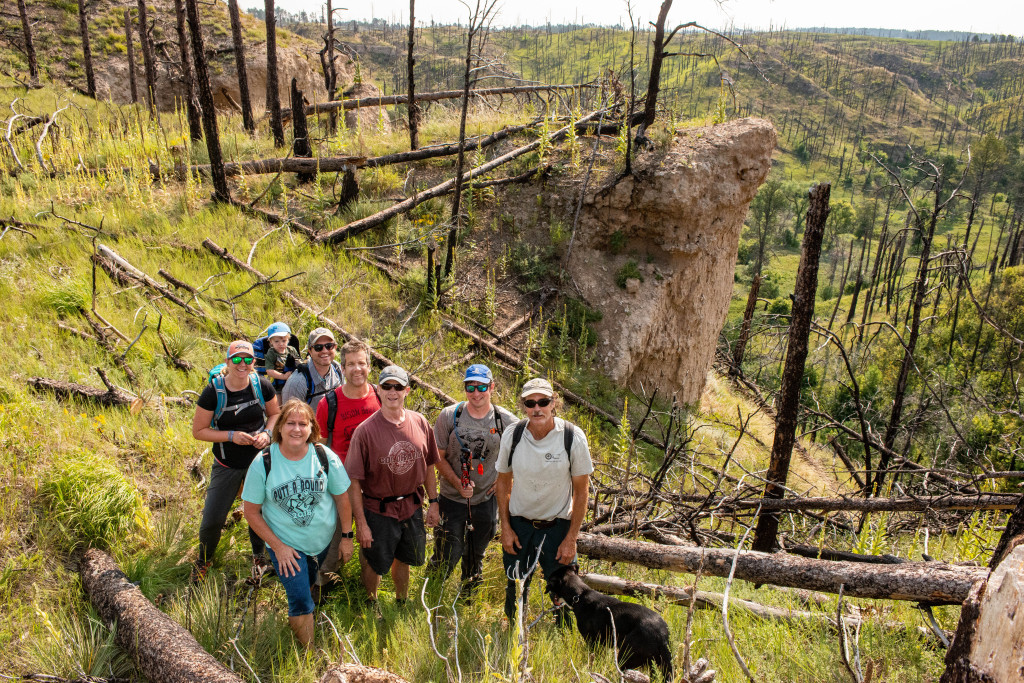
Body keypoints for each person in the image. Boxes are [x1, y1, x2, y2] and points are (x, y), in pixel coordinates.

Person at [242, 399, 352, 647]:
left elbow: (342, 498)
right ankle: (309, 655)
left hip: (321, 543)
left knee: (310, 583)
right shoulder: (264, 462)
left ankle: (307, 613)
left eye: (303, 424)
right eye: (290, 423)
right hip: (286, 546)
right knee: (300, 599)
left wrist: (347, 537)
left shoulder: (324, 456)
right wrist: (278, 548)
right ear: (279, 427)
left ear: (312, 428)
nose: (297, 429)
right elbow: (250, 512)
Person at [495, 377, 593, 624]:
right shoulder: (513, 434)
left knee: (568, 590)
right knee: (515, 586)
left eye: (543, 401)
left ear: (553, 403)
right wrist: (505, 528)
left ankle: (566, 636)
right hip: (520, 525)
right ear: (524, 406)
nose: (537, 408)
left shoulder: (572, 436)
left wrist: (571, 538)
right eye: (530, 403)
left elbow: (582, 491)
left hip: (557, 526)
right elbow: (503, 482)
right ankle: (515, 635)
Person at [346, 365, 441, 604]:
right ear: (377, 390)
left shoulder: (419, 422)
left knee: (405, 557)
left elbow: (430, 465)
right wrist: (361, 523)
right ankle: (371, 602)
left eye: (398, 387)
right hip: (378, 509)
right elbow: (354, 481)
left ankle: (402, 600)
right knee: (373, 561)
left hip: (411, 506)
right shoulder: (365, 431)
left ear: (407, 390)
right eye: (387, 386)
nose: (392, 391)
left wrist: (435, 502)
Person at [191, 340, 281, 581]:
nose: (243, 364)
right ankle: (203, 560)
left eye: (248, 359)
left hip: (259, 462)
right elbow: (199, 431)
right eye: (237, 359)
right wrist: (231, 436)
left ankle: (259, 558)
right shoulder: (214, 391)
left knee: (259, 513)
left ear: (254, 362)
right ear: (228, 362)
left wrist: (267, 434)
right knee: (213, 519)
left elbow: (275, 414)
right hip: (226, 464)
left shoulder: (261, 385)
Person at [428, 364, 517, 593]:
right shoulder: (450, 416)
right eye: (470, 387)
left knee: (475, 554)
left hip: (487, 501)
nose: (476, 393)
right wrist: (458, 484)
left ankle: (468, 597)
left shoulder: (505, 421)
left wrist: (508, 478)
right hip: (451, 498)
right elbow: (437, 457)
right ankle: (431, 594)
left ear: (492, 387)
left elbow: (526, 451)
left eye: (481, 387)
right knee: (447, 552)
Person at [311, 339, 381, 599]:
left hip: (374, 486)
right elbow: (316, 448)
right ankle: (319, 594)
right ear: (342, 367)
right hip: (338, 486)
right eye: (350, 364)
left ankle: (370, 597)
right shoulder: (328, 404)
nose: (356, 369)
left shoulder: (380, 397)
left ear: (369, 366)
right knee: (333, 545)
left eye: (361, 363)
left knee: (370, 545)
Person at [281, 328, 343, 410]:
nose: (324, 351)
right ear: (310, 351)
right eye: (318, 347)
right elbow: (289, 419)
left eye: (329, 346)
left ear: (335, 347)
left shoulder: (338, 369)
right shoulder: (297, 383)